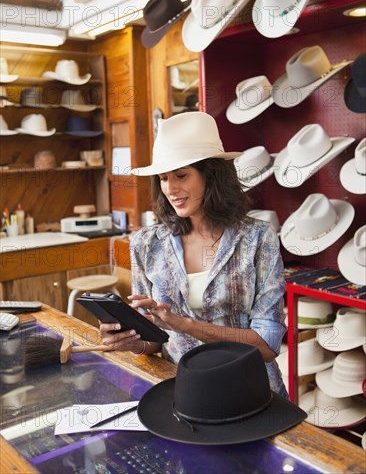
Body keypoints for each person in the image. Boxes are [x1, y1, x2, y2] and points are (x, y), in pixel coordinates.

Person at [99, 112, 288, 397]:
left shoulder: (259, 240)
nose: (171, 189)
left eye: (181, 175)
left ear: (211, 175)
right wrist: (131, 340)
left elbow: (267, 345)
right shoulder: (146, 244)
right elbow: (155, 341)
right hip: (182, 394)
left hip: (251, 393)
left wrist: (185, 325)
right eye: (163, 178)